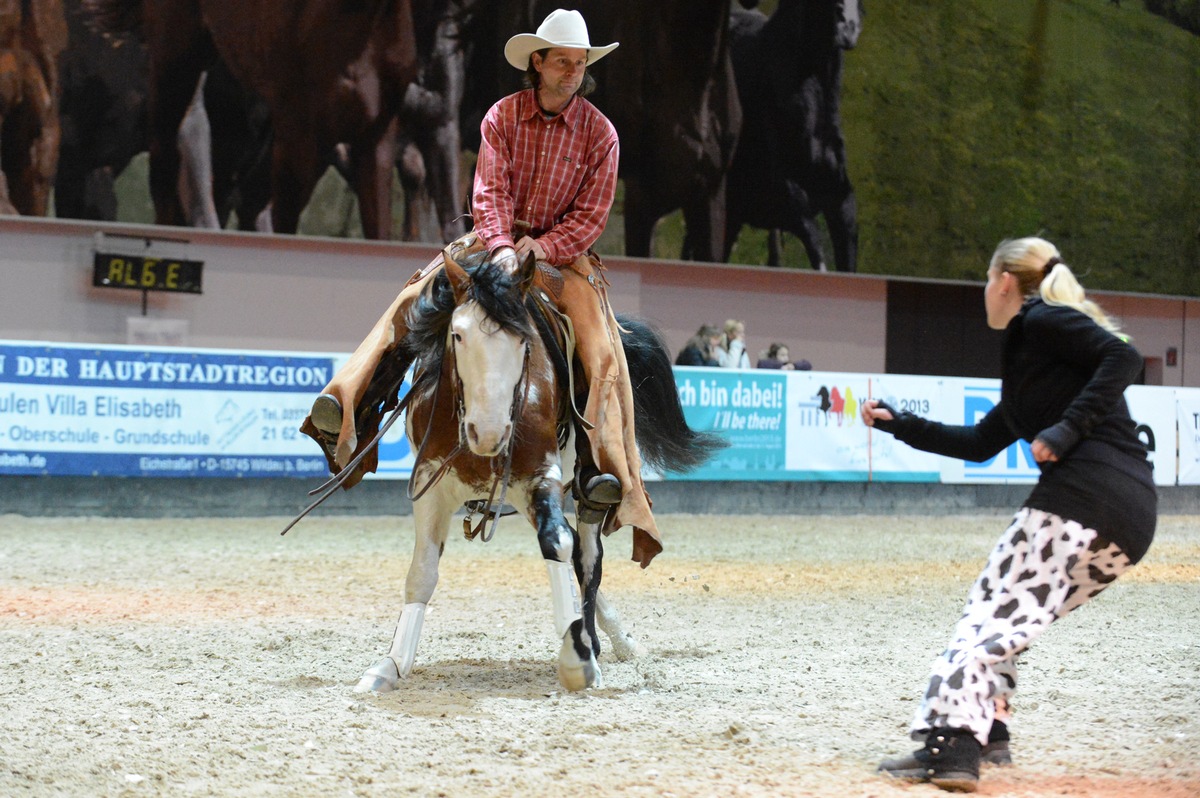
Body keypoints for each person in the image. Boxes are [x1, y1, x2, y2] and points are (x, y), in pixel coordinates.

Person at [300, 10, 666, 566]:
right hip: (492, 241)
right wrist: (499, 248)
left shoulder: (601, 134)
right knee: (413, 298)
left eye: (580, 62)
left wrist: (541, 248)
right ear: (537, 63)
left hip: (565, 260)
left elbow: (591, 217)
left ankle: (603, 472)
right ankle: (351, 406)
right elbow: (490, 193)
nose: (573, 71)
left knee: (601, 349)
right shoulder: (502, 117)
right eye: (563, 61)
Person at [861, 237, 1156, 792]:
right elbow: (977, 442)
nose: (983, 293)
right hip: (1129, 521)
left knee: (985, 617)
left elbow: (1124, 354)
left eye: (985, 280)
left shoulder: (1040, 320)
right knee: (1007, 622)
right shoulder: (1035, 369)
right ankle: (991, 735)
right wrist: (897, 423)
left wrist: (1066, 430)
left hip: (1083, 500)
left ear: (1003, 280)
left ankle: (949, 748)